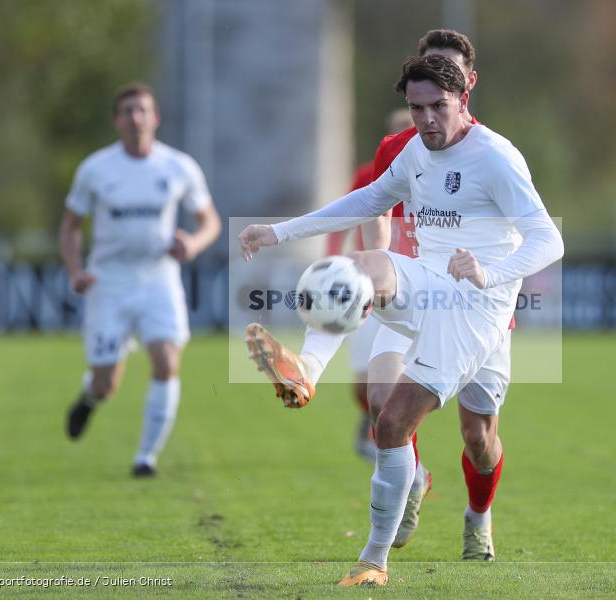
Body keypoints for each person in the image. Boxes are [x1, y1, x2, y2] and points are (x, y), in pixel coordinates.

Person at [239, 55, 563, 586]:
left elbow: (550, 240)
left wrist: (489, 273)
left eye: (438, 106)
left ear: (463, 99)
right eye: (417, 108)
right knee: (358, 269)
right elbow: (368, 200)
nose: (427, 119)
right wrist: (278, 232)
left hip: (477, 312)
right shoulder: (415, 150)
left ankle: (477, 517)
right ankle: (308, 375)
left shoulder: (496, 158)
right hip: (427, 280)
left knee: (469, 438)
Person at [59, 82, 221, 478]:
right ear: (116, 121)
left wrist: (192, 244)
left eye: (142, 110)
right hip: (109, 281)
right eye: (127, 111)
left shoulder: (178, 166)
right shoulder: (96, 169)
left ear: (155, 118)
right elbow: (70, 226)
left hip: (158, 277)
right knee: (106, 382)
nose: (135, 118)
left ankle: (146, 457)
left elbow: (209, 221)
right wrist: (75, 270)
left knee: (166, 360)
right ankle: (90, 397)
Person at [328, 108, 414, 464]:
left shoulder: (431, 176)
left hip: (409, 288)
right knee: (363, 384)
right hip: (368, 285)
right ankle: (372, 421)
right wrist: (334, 258)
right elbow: (342, 218)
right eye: (398, 132)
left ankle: (400, 453)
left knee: (399, 380)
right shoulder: (369, 175)